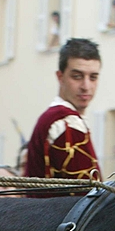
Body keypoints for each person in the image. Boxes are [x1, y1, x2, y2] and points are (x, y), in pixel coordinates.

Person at [22, 38, 101, 181]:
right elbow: (84, 193)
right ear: (60, 77)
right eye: (77, 76)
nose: (86, 86)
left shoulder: (52, 118)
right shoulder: (65, 122)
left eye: (93, 77)